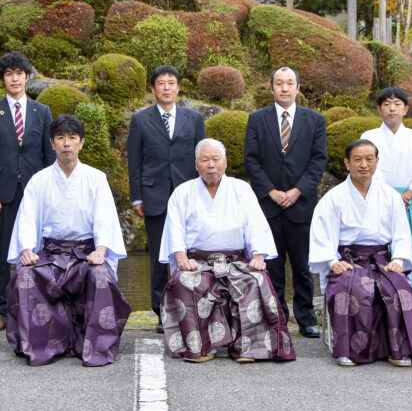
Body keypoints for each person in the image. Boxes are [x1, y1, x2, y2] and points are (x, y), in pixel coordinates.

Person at [6, 114, 130, 367]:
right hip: (50, 252)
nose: (66, 143)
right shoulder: (39, 180)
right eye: (60, 138)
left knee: (101, 277)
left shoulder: (96, 178)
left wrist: (102, 249)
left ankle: (97, 347)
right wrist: (28, 249)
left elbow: (105, 217)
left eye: (72, 137)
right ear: (52, 143)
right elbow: (27, 218)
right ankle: (40, 345)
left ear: (81, 143)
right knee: (26, 277)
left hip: (86, 252)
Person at [160, 138, 295, 363]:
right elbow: (174, 228)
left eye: (215, 159)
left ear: (225, 163)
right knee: (184, 280)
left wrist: (258, 256)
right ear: (196, 165)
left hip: (235, 260)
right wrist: (181, 257)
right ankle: (199, 346)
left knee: (256, 279)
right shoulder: (183, 192)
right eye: (205, 160)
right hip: (199, 261)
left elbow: (255, 224)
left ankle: (247, 347)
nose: (211, 165)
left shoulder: (241, 189)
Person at [308, 139, 412, 367]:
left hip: (382, 259)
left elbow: (402, 232)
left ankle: (399, 348)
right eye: (357, 159)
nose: (364, 164)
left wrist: (399, 259)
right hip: (348, 260)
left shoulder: (390, 196)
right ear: (347, 163)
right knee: (348, 289)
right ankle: (349, 349)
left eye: (369, 159)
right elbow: (321, 234)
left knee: (399, 289)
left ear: (377, 162)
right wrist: (333, 262)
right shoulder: (334, 197)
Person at [244, 66, 327, 338]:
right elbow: (252, 161)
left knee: (302, 266)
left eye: (289, 83)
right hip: (269, 205)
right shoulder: (257, 119)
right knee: (273, 265)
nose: (284, 88)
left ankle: (306, 318)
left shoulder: (314, 120)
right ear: (271, 88)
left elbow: (318, 161)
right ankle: (276, 315)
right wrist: (270, 191)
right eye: (279, 83)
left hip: (301, 204)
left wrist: (297, 190)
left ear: (298, 88)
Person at [0, 51, 55, 332]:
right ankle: (0, 309)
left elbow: (49, 155)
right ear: (3, 79)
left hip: (35, 191)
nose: (14, 78)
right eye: (8, 74)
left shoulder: (41, 111)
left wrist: (50, 191)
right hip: (3, 192)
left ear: (27, 77)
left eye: (19, 73)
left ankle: (37, 304)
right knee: (1, 252)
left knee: (38, 248)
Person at [127, 65, 206, 333]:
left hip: (188, 194)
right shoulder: (140, 120)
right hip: (154, 194)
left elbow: (202, 158)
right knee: (159, 258)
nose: (167, 87)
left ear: (178, 87)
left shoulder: (193, 119)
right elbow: (134, 161)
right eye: (161, 83)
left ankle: (194, 308)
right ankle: (162, 313)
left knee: (192, 252)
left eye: (171, 82)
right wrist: (137, 196)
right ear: (152, 88)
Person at [361, 86, 412, 334]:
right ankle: (384, 319)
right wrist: (391, 194)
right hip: (380, 203)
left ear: (406, 109)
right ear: (379, 109)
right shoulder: (370, 135)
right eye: (386, 103)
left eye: (397, 104)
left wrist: (408, 193)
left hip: (411, 203)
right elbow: (368, 167)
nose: (392, 108)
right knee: (383, 258)